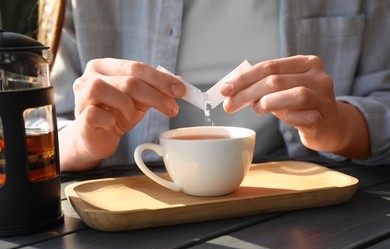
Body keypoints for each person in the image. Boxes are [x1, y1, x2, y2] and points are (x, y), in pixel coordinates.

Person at [49, 0, 390, 171]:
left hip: (302, 198)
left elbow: (384, 98)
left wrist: (339, 126)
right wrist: (84, 139)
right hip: (133, 204)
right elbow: (41, 132)